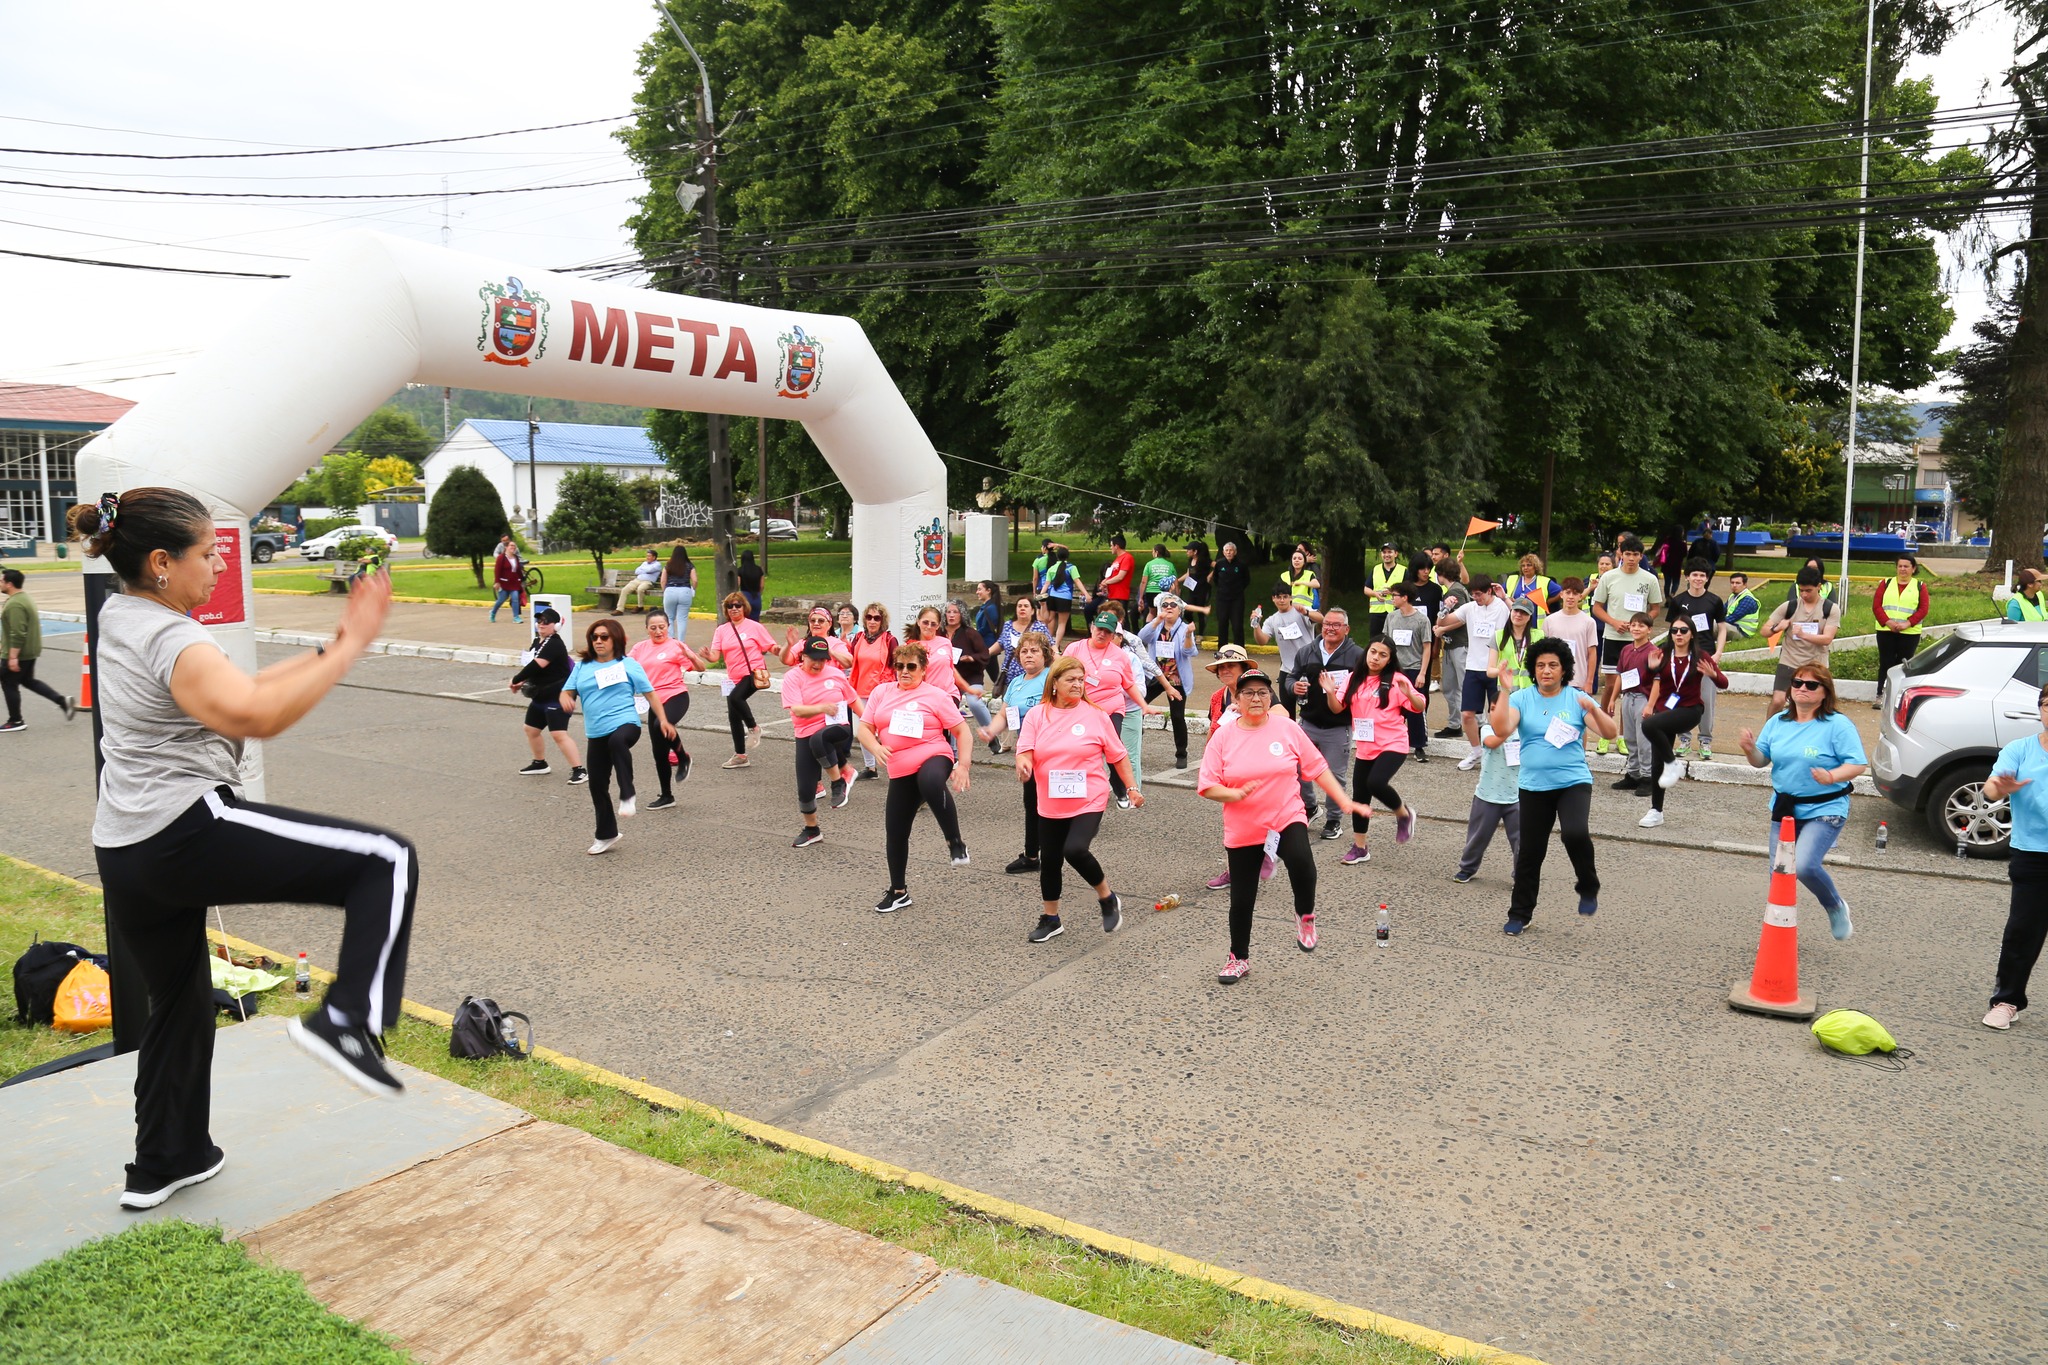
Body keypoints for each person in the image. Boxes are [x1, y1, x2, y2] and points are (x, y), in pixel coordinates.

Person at [70, 489, 419, 1209]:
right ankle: (347, 1018)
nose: (221, 559)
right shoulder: (172, 637)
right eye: (208, 551)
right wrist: (353, 643)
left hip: (124, 849)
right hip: (183, 830)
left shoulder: (124, 615)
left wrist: (328, 648)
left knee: (181, 999)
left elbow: (248, 688)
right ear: (162, 562)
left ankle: (165, 1160)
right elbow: (256, 713)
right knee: (384, 860)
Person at [1197, 670, 1369, 982]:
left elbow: (1317, 766)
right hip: (1243, 824)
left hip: (1285, 815)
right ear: (1236, 700)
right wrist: (1233, 793)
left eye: (1263, 692)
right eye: (1248, 693)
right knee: (1242, 898)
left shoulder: (1286, 728)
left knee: (1302, 861)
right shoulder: (1224, 736)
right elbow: (1207, 784)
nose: (1256, 698)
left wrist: (1344, 802)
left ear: (1271, 697)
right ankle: (1238, 957)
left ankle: (1305, 915)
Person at [1489, 638, 1618, 934]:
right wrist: (1506, 689)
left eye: (1553, 665)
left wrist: (1594, 711)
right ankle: (1520, 914)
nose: (1546, 671)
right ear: (1534, 670)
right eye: (1540, 665)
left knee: (1574, 833)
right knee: (1530, 853)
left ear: (1563, 670)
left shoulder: (1576, 698)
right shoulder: (1522, 698)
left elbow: (1610, 733)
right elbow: (1500, 729)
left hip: (1573, 782)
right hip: (1533, 786)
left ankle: (1587, 884)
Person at [1735, 663, 1868, 942]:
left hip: (1826, 808)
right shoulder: (1778, 722)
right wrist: (1750, 750)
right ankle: (1779, 934)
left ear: (1824, 692)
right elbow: (1762, 761)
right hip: (1785, 808)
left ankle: (1835, 906)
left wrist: (1831, 775)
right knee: (1780, 875)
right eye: (1797, 683)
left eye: (1811, 685)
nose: (1801, 689)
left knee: (1805, 865)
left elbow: (1857, 765)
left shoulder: (1837, 725)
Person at [1016, 654, 1141, 942]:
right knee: (1049, 862)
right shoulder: (1038, 715)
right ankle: (1051, 918)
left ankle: (1107, 897)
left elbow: (1118, 756)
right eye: (1071, 679)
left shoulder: (1095, 716)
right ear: (1055, 683)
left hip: (1089, 798)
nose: (1078, 684)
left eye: (1081, 680)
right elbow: (1025, 750)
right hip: (1050, 800)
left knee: (1074, 850)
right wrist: (1023, 764)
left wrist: (1132, 788)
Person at [854, 642, 974, 911]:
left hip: (933, 754)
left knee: (930, 781)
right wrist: (876, 747)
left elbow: (962, 732)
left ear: (923, 669)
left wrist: (963, 765)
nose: (904, 671)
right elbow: (864, 728)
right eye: (899, 666)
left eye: (911, 666)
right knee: (895, 831)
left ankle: (955, 842)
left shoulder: (936, 696)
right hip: (899, 768)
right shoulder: (881, 692)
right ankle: (898, 892)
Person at [560, 617, 672, 855]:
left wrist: (662, 720)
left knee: (617, 741)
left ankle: (628, 794)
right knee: (597, 785)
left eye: (604, 637)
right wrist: (565, 699)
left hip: (625, 724)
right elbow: (567, 691)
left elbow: (651, 695)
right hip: (596, 731)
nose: (598, 641)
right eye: (594, 637)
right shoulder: (582, 666)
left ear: (616, 639)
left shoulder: (629, 665)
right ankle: (607, 834)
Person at [1982, 685, 2048, 1030]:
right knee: (2023, 932)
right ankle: (2006, 1001)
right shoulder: (2020, 750)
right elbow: (1991, 787)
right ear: (2040, 709)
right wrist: (1999, 788)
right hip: (2034, 853)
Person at [1336, 639, 1426, 865]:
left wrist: (1410, 693)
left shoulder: (1397, 680)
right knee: (1360, 797)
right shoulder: (1353, 678)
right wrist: (1329, 691)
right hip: (1366, 745)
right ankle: (1360, 848)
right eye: (1373, 652)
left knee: (1375, 782)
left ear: (1389, 659)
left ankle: (1403, 813)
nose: (1375, 657)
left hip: (1393, 743)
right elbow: (1337, 707)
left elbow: (1419, 706)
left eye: (1382, 655)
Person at [1636, 619, 1729, 828]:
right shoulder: (1663, 654)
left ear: (1692, 634)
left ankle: (1673, 764)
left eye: (1683, 630)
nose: (1678, 634)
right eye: (1674, 630)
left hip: (1690, 710)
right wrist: (1650, 669)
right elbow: (1644, 682)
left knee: (1649, 726)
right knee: (1657, 763)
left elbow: (1724, 683)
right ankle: (1656, 811)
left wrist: (1713, 674)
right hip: (1665, 711)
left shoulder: (1700, 656)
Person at [1064, 610, 1156, 804]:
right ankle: (1081, 790)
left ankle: (1121, 789)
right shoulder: (1074, 649)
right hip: (1081, 708)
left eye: (1107, 631)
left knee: (1112, 749)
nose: (1102, 634)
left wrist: (1144, 706)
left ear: (1114, 635)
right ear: (1091, 627)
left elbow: (1129, 684)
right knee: (1081, 750)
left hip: (1111, 709)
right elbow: (1059, 674)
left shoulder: (1120, 656)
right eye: (1099, 629)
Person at [1291, 606, 1366, 838]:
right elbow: (1291, 677)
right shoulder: (1306, 652)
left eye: (1336, 625)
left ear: (1346, 629)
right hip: (1308, 722)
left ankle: (1334, 820)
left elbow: (1364, 688)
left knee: (1334, 776)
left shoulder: (1357, 656)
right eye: (1326, 624)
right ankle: (1311, 807)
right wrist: (1293, 686)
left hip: (1337, 727)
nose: (1330, 629)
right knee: (1297, 770)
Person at [783, 637, 864, 847]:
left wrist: (869, 724)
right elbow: (797, 709)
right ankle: (812, 829)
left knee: (820, 737)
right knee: (806, 790)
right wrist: (822, 707)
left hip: (836, 727)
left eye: (823, 660)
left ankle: (838, 782)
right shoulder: (793, 677)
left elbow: (853, 700)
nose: (818, 664)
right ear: (803, 656)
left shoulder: (836, 674)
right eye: (814, 659)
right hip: (805, 733)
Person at [1590, 535, 1660, 757]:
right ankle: (1604, 732)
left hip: (1636, 642)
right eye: (1627, 554)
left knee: (1630, 689)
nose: (1631, 558)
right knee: (1611, 686)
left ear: (1641, 556)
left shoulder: (1649, 579)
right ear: (1620, 554)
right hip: (1613, 637)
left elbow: (1656, 608)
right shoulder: (1609, 577)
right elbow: (1597, 607)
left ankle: (1622, 736)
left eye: (1635, 555)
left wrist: (1640, 625)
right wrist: (1614, 622)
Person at [990, 632, 1054, 874]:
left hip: (1051, 751)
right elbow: (1004, 715)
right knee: (1031, 803)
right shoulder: (1016, 682)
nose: (1028, 655)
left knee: (1052, 803)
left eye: (1034, 651)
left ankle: (1056, 849)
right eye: (1024, 651)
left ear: (1044, 654)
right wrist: (990, 731)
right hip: (1026, 752)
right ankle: (1031, 855)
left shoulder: (1051, 677)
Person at [629, 611, 703, 808]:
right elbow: (626, 667)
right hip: (654, 701)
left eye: (661, 627)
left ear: (668, 626)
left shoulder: (676, 646)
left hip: (675, 696)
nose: (658, 631)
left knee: (662, 724)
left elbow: (701, 667)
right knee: (658, 751)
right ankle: (667, 796)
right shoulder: (640, 648)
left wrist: (691, 657)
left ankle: (682, 758)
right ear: (647, 629)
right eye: (653, 628)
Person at [1439, 573, 1509, 771]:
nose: (1476, 598)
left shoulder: (1501, 608)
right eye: (1473, 595)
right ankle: (1476, 750)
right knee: (1467, 714)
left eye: (1479, 594)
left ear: (1489, 591)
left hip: (1494, 667)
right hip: (1473, 666)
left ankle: (1496, 752)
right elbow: (1443, 623)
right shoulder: (1470, 608)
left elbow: (1514, 624)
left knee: (1496, 715)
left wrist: (1505, 598)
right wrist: (1445, 608)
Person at [509, 607, 584, 783]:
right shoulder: (538, 641)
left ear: (556, 626)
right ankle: (540, 763)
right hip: (541, 695)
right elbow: (532, 666)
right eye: (539, 621)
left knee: (558, 733)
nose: (541, 624)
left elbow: (536, 665)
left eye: (546, 621)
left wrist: (515, 679)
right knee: (531, 729)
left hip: (558, 697)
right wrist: (521, 682)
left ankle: (579, 770)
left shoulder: (554, 644)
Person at [705, 592, 777, 767]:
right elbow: (715, 656)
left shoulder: (754, 627)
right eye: (730, 606)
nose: (734, 609)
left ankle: (754, 728)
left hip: (752, 672)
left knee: (736, 698)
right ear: (726, 610)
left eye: (738, 605)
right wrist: (707, 656)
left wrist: (785, 649)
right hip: (733, 677)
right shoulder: (722, 630)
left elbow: (771, 646)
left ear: (744, 607)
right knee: (733, 715)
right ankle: (741, 756)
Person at [1664, 559, 1727, 758]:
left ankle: (1705, 741)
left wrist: (1718, 653)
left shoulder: (1714, 601)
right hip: (1683, 656)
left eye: (1702, 575)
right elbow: (1672, 630)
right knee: (1683, 699)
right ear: (1687, 577)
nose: (1698, 579)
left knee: (1706, 700)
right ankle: (1684, 739)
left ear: (1707, 579)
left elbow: (1722, 627)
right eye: (1695, 575)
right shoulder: (1678, 600)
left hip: (1705, 656)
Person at [0, 568, 74, 731]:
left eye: (1, 581)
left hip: (19, 653)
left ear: (9, 584)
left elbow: (18, 632)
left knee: (8, 683)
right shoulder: (24, 598)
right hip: (29, 651)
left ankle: (16, 721)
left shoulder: (15, 604)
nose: (0, 583)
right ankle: (62, 702)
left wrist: (12, 657)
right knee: (28, 680)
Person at [1762, 565, 1841, 710]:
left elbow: (1827, 639)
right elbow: (1764, 630)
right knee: (1778, 701)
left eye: (1808, 590)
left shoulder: (1830, 609)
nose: (1804, 594)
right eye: (1801, 590)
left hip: (1816, 663)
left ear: (1819, 587)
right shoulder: (1789, 606)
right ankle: (1769, 731)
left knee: (1816, 705)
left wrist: (1803, 635)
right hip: (1789, 660)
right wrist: (1777, 628)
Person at [1453, 714, 1521, 884]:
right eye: (1492, 709)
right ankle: (1467, 867)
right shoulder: (1487, 729)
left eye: (1502, 710)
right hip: (1487, 795)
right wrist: (1507, 730)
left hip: (1517, 796)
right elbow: (1491, 743)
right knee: (1478, 836)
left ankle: (1522, 876)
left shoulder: (1524, 733)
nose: (1495, 714)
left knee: (1521, 840)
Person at [1138, 593, 1196, 767]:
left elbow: (1188, 652)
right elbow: (1141, 638)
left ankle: (1181, 754)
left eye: (1173, 605)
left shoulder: (1185, 628)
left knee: (1177, 716)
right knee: (1137, 706)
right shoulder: (1156, 626)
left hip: (1176, 677)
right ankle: (1135, 743)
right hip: (1155, 675)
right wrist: (1157, 620)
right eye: (1165, 605)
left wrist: (1187, 636)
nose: (1168, 607)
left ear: (1180, 611)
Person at [1378, 580, 1433, 759]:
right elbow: (1385, 642)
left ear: (1405, 597)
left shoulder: (1421, 620)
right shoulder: (1391, 617)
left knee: (1415, 708)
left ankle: (1418, 745)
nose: (1391, 598)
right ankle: (1389, 741)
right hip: (1394, 669)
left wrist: (1423, 673)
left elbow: (1427, 647)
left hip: (1414, 669)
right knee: (1389, 706)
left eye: (1394, 595)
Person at [1250, 583, 1319, 720]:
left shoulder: (1300, 612)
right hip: (1287, 670)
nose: (1282, 600)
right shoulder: (1272, 620)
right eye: (1278, 597)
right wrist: (1256, 625)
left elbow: (1322, 619)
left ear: (1290, 597)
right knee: (1286, 711)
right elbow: (1262, 641)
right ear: (1273, 599)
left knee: (1311, 707)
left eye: (1285, 597)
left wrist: (1307, 612)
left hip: (1309, 666)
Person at [847, 602, 898, 780]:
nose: (872, 621)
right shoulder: (858, 638)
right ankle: (870, 768)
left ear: (882, 620)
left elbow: (896, 666)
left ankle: (896, 767)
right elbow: (850, 661)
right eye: (869, 617)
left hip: (882, 692)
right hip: (860, 690)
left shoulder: (890, 640)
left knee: (885, 732)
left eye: (877, 618)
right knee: (864, 730)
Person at [1611, 613, 1658, 790]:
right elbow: (1620, 676)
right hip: (1628, 697)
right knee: (1630, 737)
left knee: (1644, 740)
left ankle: (1648, 776)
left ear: (1649, 630)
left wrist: (1650, 705)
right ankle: (1633, 773)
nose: (1636, 629)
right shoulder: (1626, 650)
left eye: (1641, 626)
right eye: (1634, 625)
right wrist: (1613, 698)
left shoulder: (1653, 652)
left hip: (1642, 698)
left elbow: (1657, 681)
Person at [946, 599, 999, 745]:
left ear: (962, 614)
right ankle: (952, 749)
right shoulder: (940, 633)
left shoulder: (970, 633)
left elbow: (985, 654)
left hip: (971, 676)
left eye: (955, 612)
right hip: (949, 679)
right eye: (948, 612)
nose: (951, 615)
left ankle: (991, 734)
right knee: (949, 709)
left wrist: (971, 658)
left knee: (974, 703)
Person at [1431, 560, 1472, 739]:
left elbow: (1462, 618)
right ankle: (1455, 723)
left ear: (1441, 574)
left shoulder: (1455, 591)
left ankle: (1473, 723)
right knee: (1449, 685)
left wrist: (1442, 628)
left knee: (1461, 686)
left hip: (1460, 644)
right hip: (1452, 644)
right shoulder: (1456, 589)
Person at [1544, 578, 1599, 707]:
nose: (1570, 597)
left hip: (1578, 681)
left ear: (1580, 596)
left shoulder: (1588, 622)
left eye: (1575, 593)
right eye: (1568, 593)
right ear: (1561, 594)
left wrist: (1589, 682)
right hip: (1554, 680)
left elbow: (1592, 653)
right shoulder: (1550, 621)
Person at [995, 595, 1052, 692]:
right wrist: (983, 654)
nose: (1022, 608)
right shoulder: (1008, 625)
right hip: (1010, 677)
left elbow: (1051, 648)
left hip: (1033, 677)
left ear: (1032, 611)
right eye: (1019, 606)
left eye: (1026, 606)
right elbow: (1000, 643)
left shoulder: (1040, 627)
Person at [1490, 597, 1544, 693]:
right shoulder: (1498, 636)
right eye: (1516, 611)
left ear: (1530, 617)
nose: (1518, 615)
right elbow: (1490, 671)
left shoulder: (1539, 636)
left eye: (1524, 612)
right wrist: (1500, 670)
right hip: (1506, 692)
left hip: (1532, 691)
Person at [782, 605, 854, 669]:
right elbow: (785, 660)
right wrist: (788, 645)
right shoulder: (803, 643)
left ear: (829, 624)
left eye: (821, 621)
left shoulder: (835, 643)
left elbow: (849, 663)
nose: (816, 623)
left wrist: (829, 652)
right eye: (812, 620)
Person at [1210, 540, 1251, 647]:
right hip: (1222, 599)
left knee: (1237, 624)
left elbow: (1246, 580)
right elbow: (1215, 579)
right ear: (1223, 552)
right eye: (1226, 550)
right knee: (1222, 623)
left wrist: (1238, 589)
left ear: (1235, 552)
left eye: (1231, 550)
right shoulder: (1219, 564)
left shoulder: (1241, 565)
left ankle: (1239, 648)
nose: (1229, 552)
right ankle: (1222, 648)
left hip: (1237, 599)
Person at [1504, 553, 1560, 621]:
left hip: (1534, 621)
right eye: (1523, 566)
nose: (1525, 568)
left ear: (1536, 567)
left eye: (1529, 565)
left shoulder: (1544, 581)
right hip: (1515, 619)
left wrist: (1548, 602)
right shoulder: (1513, 579)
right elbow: (1498, 592)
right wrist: (1507, 598)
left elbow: (1562, 592)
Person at [1043, 545, 1080, 644]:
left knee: (1050, 619)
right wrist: (1086, 594)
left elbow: (1047, 584)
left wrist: (1041, 595)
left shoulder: (1051, 568)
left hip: (1052, 596)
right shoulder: (1071, 568)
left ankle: (1047, 641)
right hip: (1065, 598)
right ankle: (1056, 645)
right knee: (1062, 624)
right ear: (1067, 556)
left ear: (1057, 557)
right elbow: (1077, 582)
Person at [1097, 533, 1136, 625]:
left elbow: (1120, 576)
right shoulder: (1117, 559)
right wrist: (1105, 581)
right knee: (1113, 620)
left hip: (1120, 594)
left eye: (1111, 545)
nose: (1111, 548)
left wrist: (1106, 583)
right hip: (1113, 594)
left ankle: (1125, 638)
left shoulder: (1127, 558)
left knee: (1121, 620)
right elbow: (1112, 574)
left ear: (1116, 546)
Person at [1363, 542, 1405, 629]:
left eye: (1389, 552)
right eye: (1384, 552)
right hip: (1376, 612)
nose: (1386, 555)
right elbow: (1366, 589)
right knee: (1375, 639)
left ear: (1396, 554)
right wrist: (1375, 594)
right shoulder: (1376, 569)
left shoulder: (1403, 570)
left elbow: (1409, 591)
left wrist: (1392, 591)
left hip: (1395, 611)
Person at [1180, 541, 1214, 642]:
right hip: (1192, 589)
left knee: (1201, 611)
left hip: (1202, 589)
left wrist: (1210, 575)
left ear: (1195, 551)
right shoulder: (1190, 560)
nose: (1187, 552)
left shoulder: (1204, 560)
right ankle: (1193, 627)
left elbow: (1217, 566)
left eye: (1188, 550)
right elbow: (1188, 574)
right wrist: (1177, 581)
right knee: (1187, 611)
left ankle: (1201, 634)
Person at [489, 534, 525, 624]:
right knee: (501, 600)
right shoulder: (501, 558)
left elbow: (518, 570)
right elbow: (497, 570)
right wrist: (497, 582)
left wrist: (522, 580)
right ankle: (493, 613)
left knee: (515, 598)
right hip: (504, 583)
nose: (513, 548)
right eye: (511, 546)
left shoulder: (515, 558)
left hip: (514, 583)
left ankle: (516, 617)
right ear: (506, 547)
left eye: (514, 546)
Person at [662, 544, 699, 628]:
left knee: (669, 617)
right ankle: (681, 640)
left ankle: (671, 639)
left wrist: (665, 591)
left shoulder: (668, 565)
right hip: (684, 590)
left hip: (670, 590)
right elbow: (695, 580)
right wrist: (693, 589)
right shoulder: (690, 565)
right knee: (682, 618)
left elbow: (663, 580)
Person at [1723, 571, 1763, 645]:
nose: (1734, 585)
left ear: (1745, 585)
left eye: (1738, 583)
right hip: (1733, 626)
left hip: (1742, 632)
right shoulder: (1733, 596)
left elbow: (1732, 618)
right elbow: (1721, 611)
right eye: (1732, 583)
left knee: (1714, 625)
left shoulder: (1747, 599)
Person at [1139, 543, 1177, 618]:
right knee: (1165, 612)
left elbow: (1144, 582)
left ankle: (1149, 628)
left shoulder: (1149, 564)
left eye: (1153, 551)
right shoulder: (1170, 565)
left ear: (1156, 552)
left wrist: (1141, 597)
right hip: (1165, 592)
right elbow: (1175, 582)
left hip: (1151, 591)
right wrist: (1176, 595)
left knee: (1152, 613)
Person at [1280, 547, 1318, 614]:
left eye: (1300, 559)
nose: (1296, 560)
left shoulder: (1309, 574)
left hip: (1305, 608)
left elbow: (1316, 584)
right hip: (1288, 608)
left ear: (1304, 562)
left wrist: (1301, 583)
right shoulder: (1284, 575)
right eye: (1294, 558)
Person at [972, 580, 1004, 652]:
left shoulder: (991, 608)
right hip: (983, 644)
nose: (977, 592)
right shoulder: (985, 607)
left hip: (988, 646)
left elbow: (986, 629)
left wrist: (972, 634)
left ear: (988, 591)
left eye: (979, 589)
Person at [736, 548, 765, 619]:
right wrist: (759, 593)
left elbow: (738, 584)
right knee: (755, 621)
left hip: (744, 596)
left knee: (744, 620)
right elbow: (762, 585)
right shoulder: (758, 569)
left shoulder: (740, 570)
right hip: (756, 596)